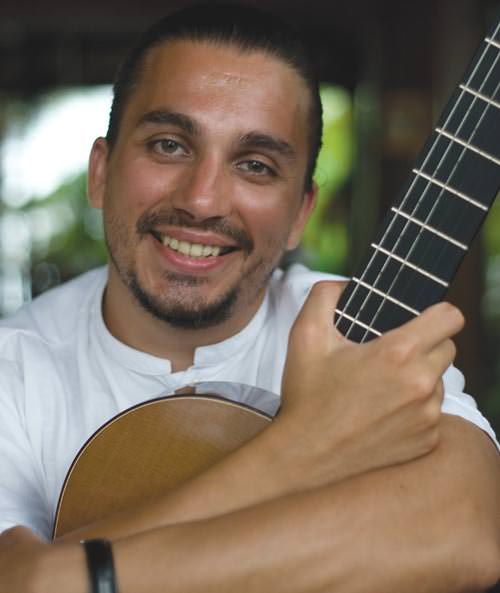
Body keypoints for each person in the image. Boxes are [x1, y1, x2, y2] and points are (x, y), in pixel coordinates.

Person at [0, 4, 499, 592]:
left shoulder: (363, 332)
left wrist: (64, 576)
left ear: (300, 216)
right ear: (101, 174)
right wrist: (304, 446)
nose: (203, 200)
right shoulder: (13, 368)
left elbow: (469, 533)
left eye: (256, 165)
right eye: (169, 145)